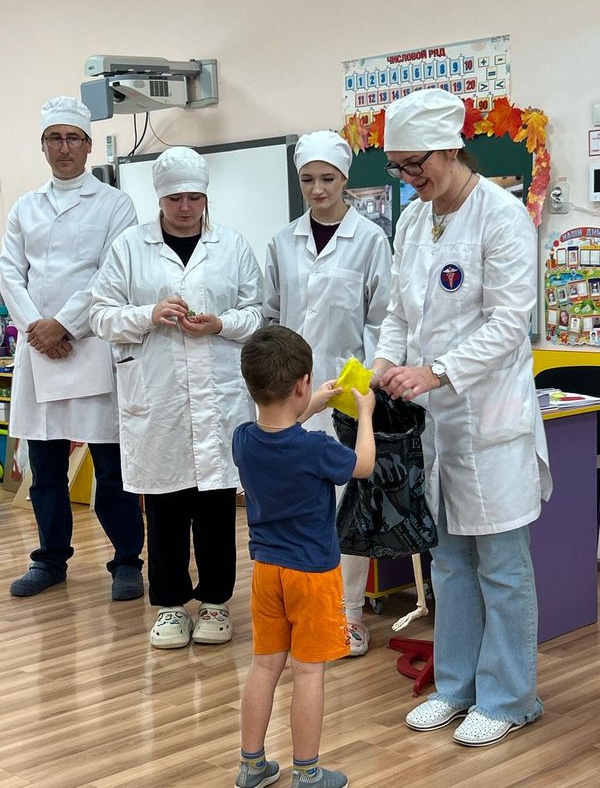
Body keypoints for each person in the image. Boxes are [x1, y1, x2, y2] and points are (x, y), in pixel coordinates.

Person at [371, 89, 552, 747]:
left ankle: (510, 697)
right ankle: (456, 687)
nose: (406, 177)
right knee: (447, 560)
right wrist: (385, 361)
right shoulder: (413, 221)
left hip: (490, 416)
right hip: (435, 423)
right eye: (395, 166)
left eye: (414, 163)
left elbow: (508, 322)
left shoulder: (501, 217)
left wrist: (438, 370)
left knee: (501, 564)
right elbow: (398, 311)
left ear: (450, 149)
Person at [89, 146, 263, 649]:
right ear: (159, 199)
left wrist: (221, 323)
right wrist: (147, 314)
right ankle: (168, 605)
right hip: (157, 395)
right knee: (165, 506)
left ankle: (215, 602)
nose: (185, 208)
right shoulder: (129, 247)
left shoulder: (232, 246)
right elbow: (100, 315)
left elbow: (257, 312)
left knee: (215, 505)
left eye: (193, 197)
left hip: (217, 395)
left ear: (205, 197)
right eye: (174, 199)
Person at [0, 96, 144, 600]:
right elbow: (10, 273)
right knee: (45, 470)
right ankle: (50, 559)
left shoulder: (115, 204)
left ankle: (126, 561)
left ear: (88, 145)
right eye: (54, 138)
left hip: (91, 347)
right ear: (43, 146)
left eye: (73, 138)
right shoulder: (25, 207)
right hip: (39, 352)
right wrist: (36, 329)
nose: (64, 147)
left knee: (111, 468)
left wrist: (63, 325)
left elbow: (113, 273)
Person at [263, 130, 392, 656]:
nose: (318, 190)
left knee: (346, 503)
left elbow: (383, 319)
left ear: (345, 179)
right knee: (300, 502)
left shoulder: (371, 239)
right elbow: (272, 314)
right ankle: (303, 607)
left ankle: (348, 615)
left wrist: (367, 384)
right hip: (293, 390)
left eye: (328, 179)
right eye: (308, 180)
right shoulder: (282, 241)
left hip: (347, 390)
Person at [232, 325, 375, 788]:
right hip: (312, 574)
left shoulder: (243, 439)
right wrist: (366, 414)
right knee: (309, 672)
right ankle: (308, 773)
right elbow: (363, 466)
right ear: (302, 383)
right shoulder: (316, 448)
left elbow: (280, 429)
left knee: (264, 666)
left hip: (265, 571)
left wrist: (313, 403)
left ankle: (251, 765)